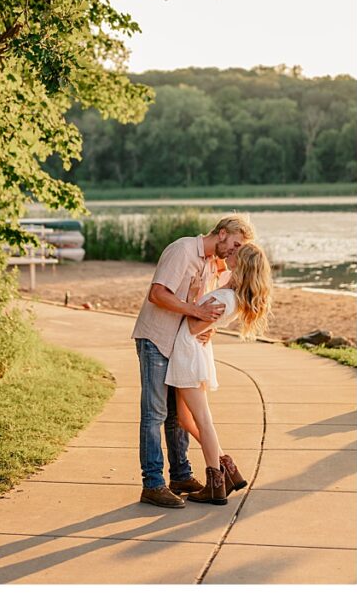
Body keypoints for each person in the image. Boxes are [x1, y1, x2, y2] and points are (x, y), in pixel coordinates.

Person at [131, 214, 255, 509]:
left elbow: (214, 304)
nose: (234, 251)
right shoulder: (183, 250)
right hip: (157, 339)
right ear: (222, 233)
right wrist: (196, 314)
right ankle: (153, 484)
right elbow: (157, 293)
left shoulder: (213, 264)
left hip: (179, 345)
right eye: (235, 244)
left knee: (176, 418)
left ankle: (181, 476)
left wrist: (207, 327)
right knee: (155, 414)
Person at [166, 242, 272, 505]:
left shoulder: (224, 298)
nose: (231, 253)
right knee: (184, 419)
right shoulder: (229, 293)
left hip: (188, 355)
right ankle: (227, 467)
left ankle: (215, 483)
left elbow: (192, 325)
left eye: (236, 252)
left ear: (242, 264)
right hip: (192, 354)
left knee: (202, 419)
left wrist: (190, 299)